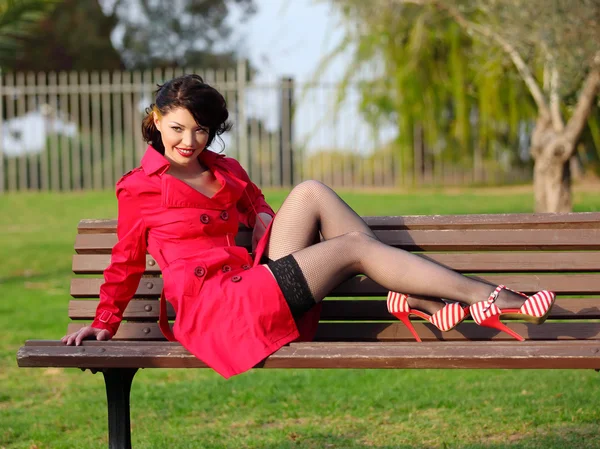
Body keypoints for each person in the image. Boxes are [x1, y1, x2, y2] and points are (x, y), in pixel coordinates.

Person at [62, 74, 556, 378]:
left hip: (253, 280)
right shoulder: (140, 187)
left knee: (312, 191)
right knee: (355, 249)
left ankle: (427, 303)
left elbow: (260, 206)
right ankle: (481, 299)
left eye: (201, 129)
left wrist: (259, 215)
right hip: (219, 308)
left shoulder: (226, 170)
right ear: (156, 120)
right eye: (177, 128)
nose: (189, 140)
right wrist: (104, 324)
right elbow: (125, 261)